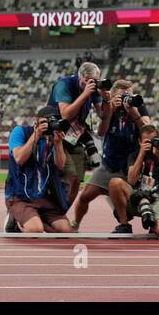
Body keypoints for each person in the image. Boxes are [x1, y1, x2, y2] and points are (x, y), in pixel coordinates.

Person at [70, 79, 147, 231]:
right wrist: (110, 111)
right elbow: (101, 132)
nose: (125, 99)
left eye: (128, 95)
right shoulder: (109, 108)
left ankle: (129, 221)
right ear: (112, 97)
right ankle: (75, 224)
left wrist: (134, 113)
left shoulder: (138, 107)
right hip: (109, 164)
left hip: (131, 164)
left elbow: (148, 131)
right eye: (121, 96)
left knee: (140, 198)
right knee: (85, 196)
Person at [110, 125, 159, 237]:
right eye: (147, 142)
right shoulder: (134, 155)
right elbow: (131, 180)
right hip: (137, 196)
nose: (151, 144)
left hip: (158, 199)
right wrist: (141, 154)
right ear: (139, 142)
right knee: (115, 183)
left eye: (153, 141)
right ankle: (124, 225)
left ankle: (153, 222)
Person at [3, 106, 71, 234]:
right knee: (35, 230)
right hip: (19, 195)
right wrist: (36, 135)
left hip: (42, 196)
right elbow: (19, 158)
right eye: (47, 121)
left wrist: (58, 143)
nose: (50, 125)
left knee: (65, 230)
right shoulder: (20, 131)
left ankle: (34, 219)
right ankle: (15, 221)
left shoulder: (52, 138)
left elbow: (61, 165)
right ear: (37, 121)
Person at [49, 61, 104, 208]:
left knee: (77, 180)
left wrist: (107, 99)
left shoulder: (93, 89)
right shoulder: (64, 84)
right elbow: (65, 114)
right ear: (81, 77)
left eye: (95, 81)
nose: (91, 84)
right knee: (68, 175)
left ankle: (62, 212)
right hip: (57, 136)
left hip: (76, 137)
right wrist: (85, 94)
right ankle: (52, 211)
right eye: (88, 81)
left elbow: (103, 115)